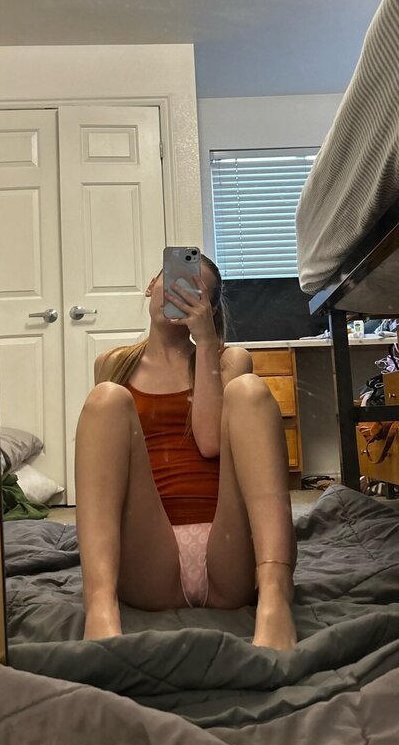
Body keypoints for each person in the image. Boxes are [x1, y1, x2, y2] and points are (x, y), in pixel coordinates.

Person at [74, 253, 297, 650]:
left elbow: (209, 442)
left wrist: (206, 342)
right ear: (151, 286)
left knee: (249, 391)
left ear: (209, 308)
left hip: (229, 552)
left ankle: (276, 597)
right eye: (174, 280)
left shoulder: (229, 359)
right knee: (106, 399)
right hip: (150, 556)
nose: (179, 293)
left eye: (196, 290)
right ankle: (100, 606)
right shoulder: (112, 363)